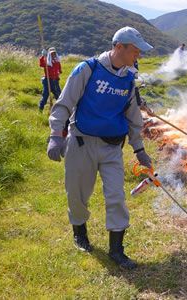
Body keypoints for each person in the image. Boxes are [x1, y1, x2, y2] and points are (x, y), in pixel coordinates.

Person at [46, 26, 154, 270]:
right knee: (78, 193)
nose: (138, 56)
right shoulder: (88, 69)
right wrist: (56, 134)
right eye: (135, 51)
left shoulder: (128, 79)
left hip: (112, 147)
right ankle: (80, 232)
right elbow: (64, 103)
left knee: (116, 196)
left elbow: (133, 117)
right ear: (119, 47)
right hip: (82, 142)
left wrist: (139, 149)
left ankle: (116, 250)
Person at [39, 47, 62, 111]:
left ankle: (60, 111)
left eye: (54, 53)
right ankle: (40, 109)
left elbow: (59, 70)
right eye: (52, 53)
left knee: (59, 96)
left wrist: (59, 72)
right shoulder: (46, 61)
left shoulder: (57, 61)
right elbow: (41, 64)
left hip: (55, 81)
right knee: (45, 96)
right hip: (48, 81)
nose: (53, 55)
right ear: (49, 54)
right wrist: (43, 56)